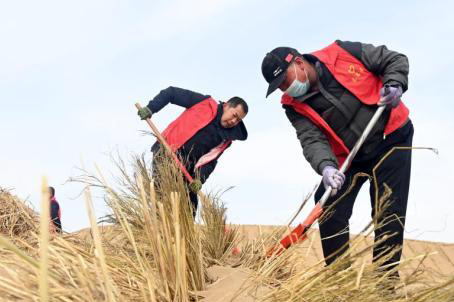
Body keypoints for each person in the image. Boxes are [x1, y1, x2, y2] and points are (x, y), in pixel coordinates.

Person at [262, 40, 413, 279]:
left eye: (285, 81)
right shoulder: (293, 106)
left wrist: (394, 83)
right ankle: (339, 282)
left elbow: (393, 59)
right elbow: (311, 139)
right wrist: (326, 167)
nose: (285, 89)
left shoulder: (341, 53)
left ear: (299, 63)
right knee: (328, 205)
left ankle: (385, 286)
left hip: (389, 136)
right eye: (279, 87)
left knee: (388, 210)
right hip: (349, 157)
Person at [137, 86, 249, 215]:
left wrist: (199, 179)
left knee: (191, 208)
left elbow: (210, 161)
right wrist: (151, 108)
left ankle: (185, 234)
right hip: (166, 152)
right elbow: (171, 93)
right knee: (162, 197)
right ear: (227, 105)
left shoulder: (226, 139)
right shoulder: (204, 103)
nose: (234, 121)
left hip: (188, 169)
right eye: (234, 115)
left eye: (238, 120)